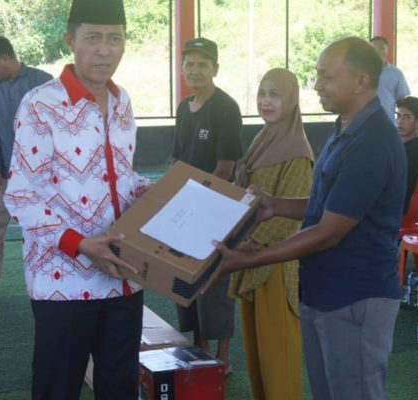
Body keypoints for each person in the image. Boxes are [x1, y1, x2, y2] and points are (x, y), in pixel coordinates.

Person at [204, 36, 405, 400]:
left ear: (361, 80)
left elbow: (329, 231)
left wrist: (251, 258)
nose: (317, 85)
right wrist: (276, 205)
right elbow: (328, 205)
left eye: (326, 76)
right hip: (322, 290)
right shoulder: (345, 127)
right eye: (316, 75)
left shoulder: (373, 140)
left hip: (355, 297)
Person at [3, 0, 150, 398]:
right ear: (70, 40)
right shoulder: (40, 105)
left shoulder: (122, 101)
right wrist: (80, 244)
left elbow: (123, 176)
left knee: (120, 387)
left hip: (123, 276)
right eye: (93, 38)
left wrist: (149, 191)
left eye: (115, 39)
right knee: (58, 388)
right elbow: (21, 195)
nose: (105, 50)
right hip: (63, 283)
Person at [229, 68, 314, 400]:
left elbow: (290, 218)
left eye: (275, 94)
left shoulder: (297, 150)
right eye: (262, 94)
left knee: (278, 357)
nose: (266, 101)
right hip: (249, 258)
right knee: (257, 356)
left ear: (291, 99)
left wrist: (252, 246)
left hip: (274, 263)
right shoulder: (263, 140)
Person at [171, 36, 243, 369]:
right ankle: (199, 346)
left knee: (214, 282)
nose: (195, 70)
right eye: (190, 64)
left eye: (202, 64)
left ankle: (223, 356)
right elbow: (177, 159)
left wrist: (196, 200)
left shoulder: (226, 107)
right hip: (185, 206)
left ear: (215, 68)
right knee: (184, 276)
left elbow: (225, 167)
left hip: (213, 207)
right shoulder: (184, 107)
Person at [0, 36, 52, 275]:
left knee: (42, 227)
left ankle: (46, 276)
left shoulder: (43, 82)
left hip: (42, 174)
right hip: (6, 173)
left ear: (5, 58)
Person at [395, 96, 418, 213]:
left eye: (407, 117)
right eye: (398, 116)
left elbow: (402, 183)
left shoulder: (417, 148)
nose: (400, 121)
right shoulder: (395, 143)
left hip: (397, 205)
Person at [369, 36, 410, 126]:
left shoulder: (397, 73)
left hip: (388, 123)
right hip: (364, 123)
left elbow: (402, 101)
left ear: (387, 50)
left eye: (382, 48)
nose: (378, 51)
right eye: (374, 49)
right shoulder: (361, 72)